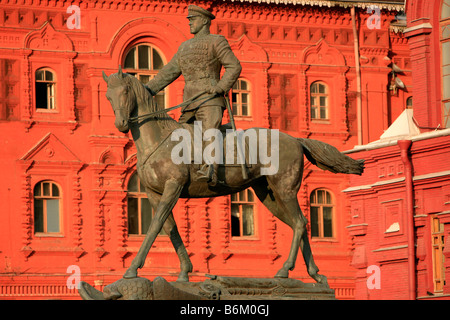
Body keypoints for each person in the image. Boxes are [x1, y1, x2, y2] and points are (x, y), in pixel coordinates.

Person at [145, 4, 242, 186]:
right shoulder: (184, 47)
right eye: (189, 20)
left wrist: (221, 87)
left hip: (210, 99)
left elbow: (234, 66)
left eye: (193, 20)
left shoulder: (216, 41)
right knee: (179, 137)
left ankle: (211, 171)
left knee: (209, 132)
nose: (189, 23)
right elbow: (167, 73)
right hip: (189, 102)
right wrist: (145, 91)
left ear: (204, 21)